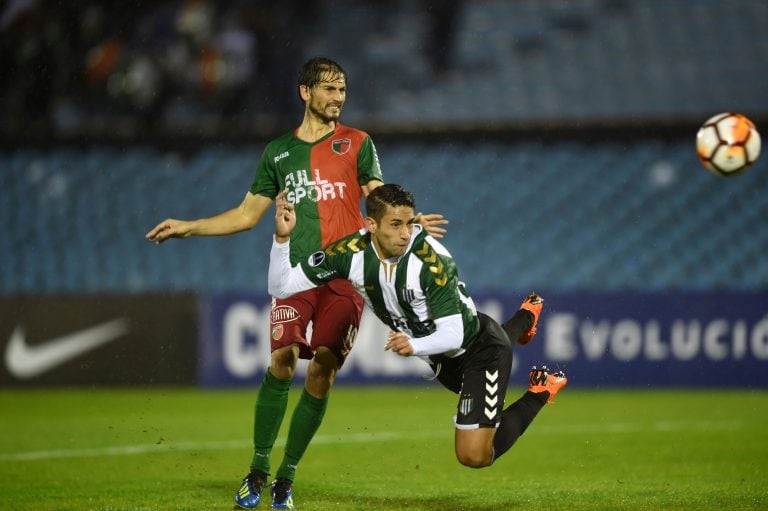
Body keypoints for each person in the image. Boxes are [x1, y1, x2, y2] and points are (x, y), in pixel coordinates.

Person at [145, 57, 447, 510]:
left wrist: (407, 221)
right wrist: (189, 226)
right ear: (305, 92)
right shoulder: (278, 154)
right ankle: (258, 469)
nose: (338, 97)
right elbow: (248, 215)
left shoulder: (357, 143)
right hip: (297, 276)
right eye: (329, 89)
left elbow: (378, 199)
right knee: (282, 360)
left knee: (321, 371)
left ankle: (286, 477)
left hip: (345, 278)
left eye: (343, 89)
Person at [268, 183, 568, 469]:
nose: (405, 233)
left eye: (410, 223)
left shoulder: (432, 261)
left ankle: (541, 390)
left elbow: (454, 335)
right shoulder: (349, 254)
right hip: (441, 359)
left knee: (474, 454)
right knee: (473, 377)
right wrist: (282, 240)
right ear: (371, 225)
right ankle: (528, 315)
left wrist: (413, 345)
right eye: (395, 224)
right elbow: (282, 287)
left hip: (479, 350)